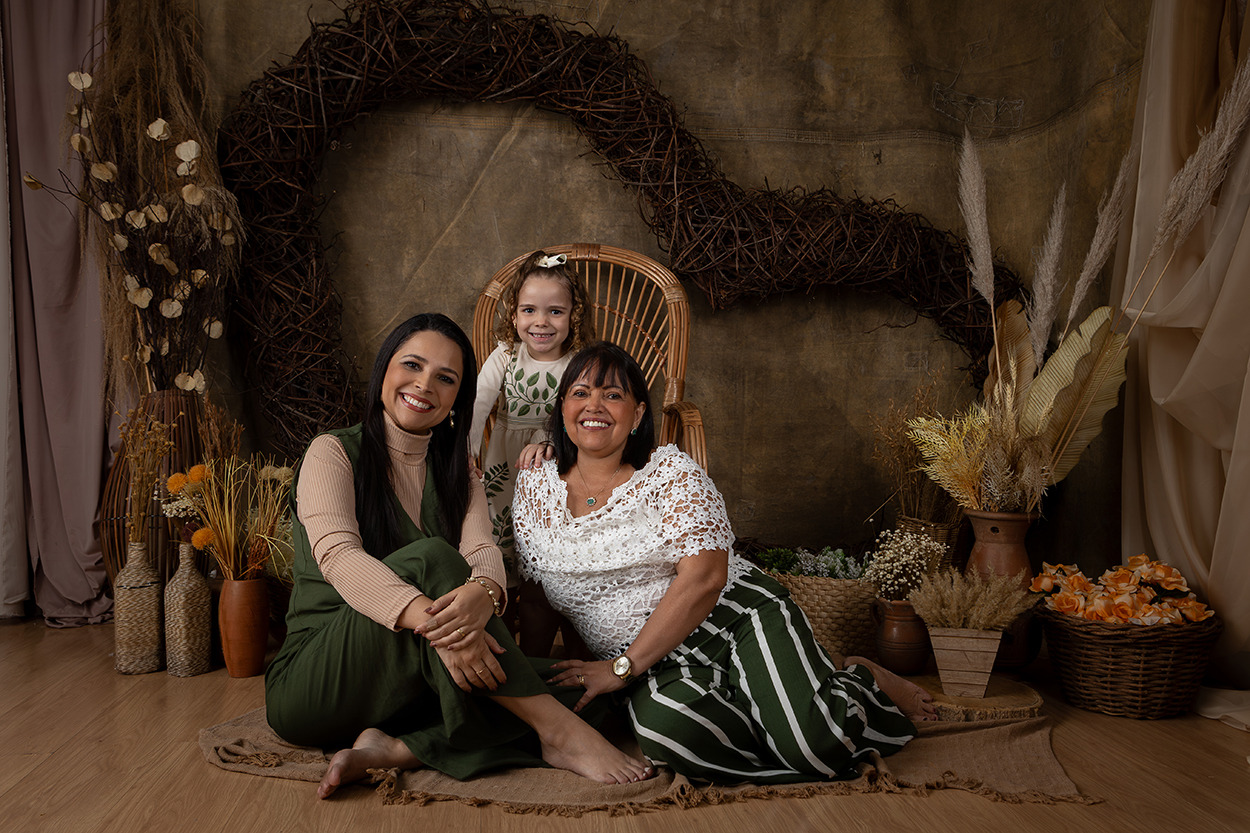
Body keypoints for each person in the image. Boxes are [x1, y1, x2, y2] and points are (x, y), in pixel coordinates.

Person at [512, 341, 937, 784]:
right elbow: (538, 598)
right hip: (656, 665)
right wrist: (536, 687)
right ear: (562, 408)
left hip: (734, 621)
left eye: (612, 394)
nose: (594, 406)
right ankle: (781, 705)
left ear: (637, 415)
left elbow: (706, 578)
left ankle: (858, 681)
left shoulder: (668, 473)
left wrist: (622, 668)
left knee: (815, 747)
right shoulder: (535, 485)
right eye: (580, 393)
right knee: (669, 736)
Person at [264, 314, 651, 799]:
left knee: (587, 690)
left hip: (410, 684)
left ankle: (398, 749)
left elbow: (483, 551)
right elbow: (340, 557)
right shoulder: (333, 452)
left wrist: (482, 596)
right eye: (412, 365)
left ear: (457, 400)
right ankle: (558, 734)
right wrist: (445, 630)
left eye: (445, 378)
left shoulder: (457, 469)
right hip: (318, 682)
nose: (425, 385)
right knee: (432, 558)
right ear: (385, 370)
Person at [469, 250, 595, 651]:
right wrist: (467, 452)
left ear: (574, 316)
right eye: (529, 310)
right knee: (499, 533)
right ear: (514, 314)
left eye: (555, 312)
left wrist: (552, 440)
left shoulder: (578, 363)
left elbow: (584, 414)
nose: (541, 322)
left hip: (555, 465)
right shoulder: (507, 355)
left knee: (546, 545)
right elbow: (478, 403)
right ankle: (502, 629)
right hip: (505, 462)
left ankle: (549, 629)